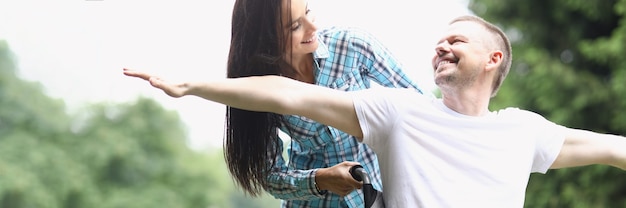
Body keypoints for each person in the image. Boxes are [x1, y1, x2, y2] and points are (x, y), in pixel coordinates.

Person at [123, 14, 626, 207]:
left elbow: (612, 148)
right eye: (438, 41)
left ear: (495, 59)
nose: (442, 46)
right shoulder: (399, 115)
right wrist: (191, 84)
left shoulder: (523, 131)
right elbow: (285, 93)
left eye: (457, 39)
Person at [210, 0, 425, 207]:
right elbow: (269, 176)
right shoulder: (259, 90)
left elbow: (420, 109)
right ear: (266, 38)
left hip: (373, 197)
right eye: (295, 25)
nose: (313, 26)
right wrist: (321, 179)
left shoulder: (352, 45)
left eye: (308, 11)